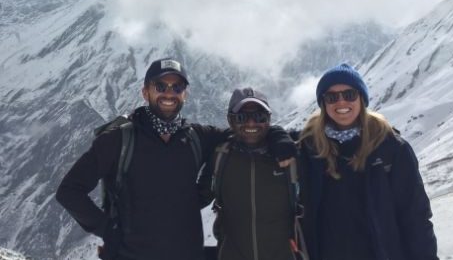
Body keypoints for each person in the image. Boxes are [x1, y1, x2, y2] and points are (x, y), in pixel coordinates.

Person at [56, 58, 295, 260]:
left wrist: (277, 135)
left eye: (177, 87)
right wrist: (108, 229)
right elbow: (69, 191)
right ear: (145, 92)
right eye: (160, 86)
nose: (169, 93)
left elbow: (244, 131)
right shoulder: (119, 139)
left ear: (185, 94)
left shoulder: (196, 137)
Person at [297, 63, 438, 260]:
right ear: (323, 104)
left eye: (349, 94)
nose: (341, 102)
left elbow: (415, 217)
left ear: (362, 98)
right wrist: (276, 138)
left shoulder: (391, 148)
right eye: (331, 97)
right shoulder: (307, 147)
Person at [199, 87, 302, 260]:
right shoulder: (220, 158)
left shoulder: (290, 155)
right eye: (242, 117)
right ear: (230, 121)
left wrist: (279, 134)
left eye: (259, 117)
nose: (251, 123)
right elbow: (196, 198)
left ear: (268, 120)